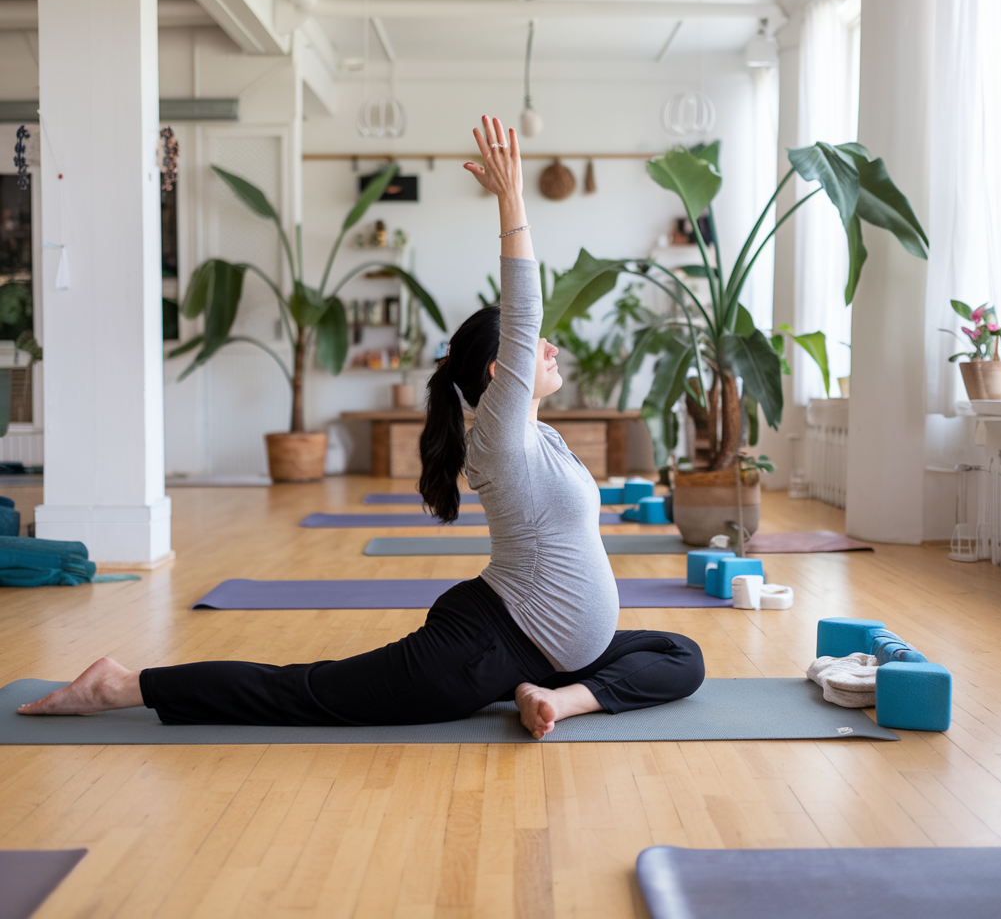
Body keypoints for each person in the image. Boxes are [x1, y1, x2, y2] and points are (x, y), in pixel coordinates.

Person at [17, 116, 704, 739]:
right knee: (306, 692)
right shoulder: (500, 438)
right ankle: (118, 685)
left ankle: (563, 699)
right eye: (536, 347)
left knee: (682, 655)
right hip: (485, 647)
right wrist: (510, 200)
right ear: (503, 372)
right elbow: (522, 315)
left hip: (550, 653)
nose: (550, 348)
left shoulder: (543, 436)